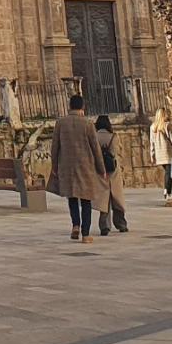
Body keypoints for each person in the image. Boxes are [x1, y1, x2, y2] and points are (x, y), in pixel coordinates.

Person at [48, 95, 106, 243]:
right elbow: (96, 148)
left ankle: (75, 225)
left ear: (70, 106)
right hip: (85, 166)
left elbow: (55, 147)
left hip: (67, 166)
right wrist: (101, 168)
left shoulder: (60, 123)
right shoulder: (88, 124)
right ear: (82, 107)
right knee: (86, 200)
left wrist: (54, 165)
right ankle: (85, 234)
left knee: (72, 197)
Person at [93, 115, 129, 236]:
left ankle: (104, 226)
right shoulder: (113, 137)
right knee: (117, 199)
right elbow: (117, 152)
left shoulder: (94, 137)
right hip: (113, 171)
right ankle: (121, 224)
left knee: (104, 200)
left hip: (100, 171)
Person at [148, 107, 172, 201]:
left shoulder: (153, 127)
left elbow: (152, 142)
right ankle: (167, 191)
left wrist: (152, 155)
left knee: (170, 172)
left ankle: (168, 191)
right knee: (170, 172)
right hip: (168, 152)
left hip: (159, 153)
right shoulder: (167, 125)